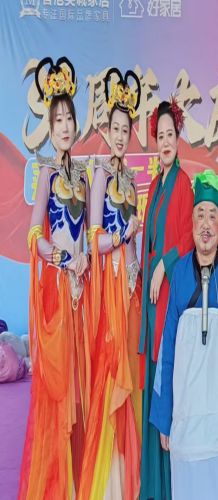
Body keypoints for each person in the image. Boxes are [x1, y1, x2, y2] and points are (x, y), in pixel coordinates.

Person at [150, 169, 218, 499]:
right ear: (192, 222)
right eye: (200, 215)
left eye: (213, 215)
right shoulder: (180, 273)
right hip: (188, 417)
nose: (206, 224)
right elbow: (167, 350)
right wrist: (164, 416)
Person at [19, 56, 91, 499]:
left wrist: (86, 258)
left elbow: (92, 231)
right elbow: (34, 234)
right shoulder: (46, 170)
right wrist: (62, 258)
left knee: (82, 388)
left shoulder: (84, 174)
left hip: (84, 291)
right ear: (49, 126)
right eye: (58, 119)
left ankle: (80, 480)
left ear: (76, 124)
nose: (64, 126)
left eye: (69, 118)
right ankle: (55, 485)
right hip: (58, 292)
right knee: (59, 390)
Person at [78, 68, 142, 500]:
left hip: (129, 287)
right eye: (115, 129)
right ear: (106, 130)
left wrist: (133, 246)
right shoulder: (100, 173)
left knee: (129, 375)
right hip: (109, 289)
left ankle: (126, 477)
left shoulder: (132, 180)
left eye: (126, 130)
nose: (120, 137)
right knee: (110, 373)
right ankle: (106, 484)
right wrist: (122, 237)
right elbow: (94, 238)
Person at [139, 98, 194, 500]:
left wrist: (164, 264)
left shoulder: (183, 182)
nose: (165, 142)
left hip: (171, 293)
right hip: (151, 296)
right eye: (159, 136)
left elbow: (189, 236)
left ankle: (173, 486)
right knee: (153, 378)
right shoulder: (155, 185)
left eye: (170, 135)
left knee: (168, 379)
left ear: (178, 138)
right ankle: (154, 486)